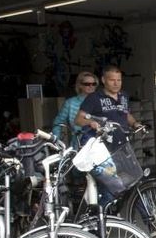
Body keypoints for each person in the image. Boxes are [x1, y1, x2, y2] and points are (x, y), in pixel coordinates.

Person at [75, 65, 142, 205]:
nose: (116, 83)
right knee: (112, 188)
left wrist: (135, 123)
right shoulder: (94, 98)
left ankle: (151, 220)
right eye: (112, 80)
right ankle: (99, 218)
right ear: (103, 80)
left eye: (119, 80)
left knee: (134, 181)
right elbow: (79, 119)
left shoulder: (124, 96)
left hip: (122, 146)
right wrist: (91, 122)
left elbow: (126, 114)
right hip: (103, 150)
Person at [52, 71, 97, 147]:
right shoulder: (70, 103)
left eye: (94, 84)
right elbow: (58, 123)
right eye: (87, 84)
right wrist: (56, 142)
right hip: (78, 144)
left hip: (99, 143)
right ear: (80, 85)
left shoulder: (101, 101)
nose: (91, 86)